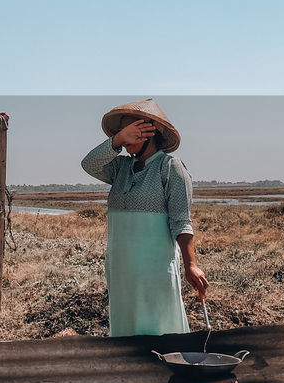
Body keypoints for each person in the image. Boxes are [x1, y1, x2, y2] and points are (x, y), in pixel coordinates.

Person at [81, 99, 208, 336]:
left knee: (157, 331)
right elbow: (88, 164)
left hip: (154, 271)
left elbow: (181, 220)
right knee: (125, 332)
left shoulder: (169, 167)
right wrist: (117, 141)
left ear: (150, 132)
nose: (126, 139)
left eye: (132, 132)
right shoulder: (120, 168)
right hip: (121, 268)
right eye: (123, 134)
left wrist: (191, 265)